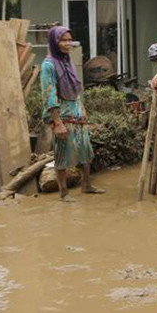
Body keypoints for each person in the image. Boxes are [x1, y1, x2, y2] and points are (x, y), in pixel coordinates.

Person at [40, 26, 105, 201]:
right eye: (63, 40)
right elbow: (49, 93)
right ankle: (64, 193)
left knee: (85, 151)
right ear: (55, 42)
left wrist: (82, 107)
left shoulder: (67, 61)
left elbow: (75, 89)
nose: (68, 43)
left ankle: (86, 185)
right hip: (61, 115)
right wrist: (57, 122)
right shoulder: (48, 65)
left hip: (76, 112)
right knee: (62, 154)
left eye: (69, 39)